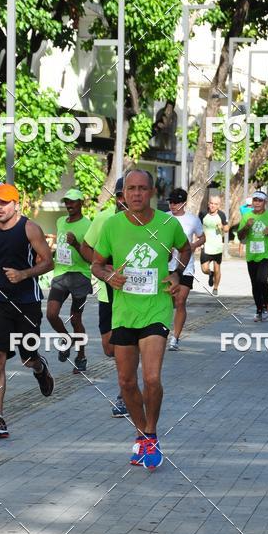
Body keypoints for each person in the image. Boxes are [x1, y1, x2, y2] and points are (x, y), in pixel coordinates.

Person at [91, 169, 191, 470]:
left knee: (151, 378)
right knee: (126, 382)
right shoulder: (112, 226)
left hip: (156, 309)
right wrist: (109, 274)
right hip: (123, 313)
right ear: (122, 195)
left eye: (142, 189)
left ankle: (151, 432)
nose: (136, 194)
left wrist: (176, 273)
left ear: (151, 193)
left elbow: (185, 249)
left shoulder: (167, 224)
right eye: (130, 189)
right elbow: (96, 264)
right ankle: (141, 432)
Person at [0, 183, 55, 439]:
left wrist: (24, 274)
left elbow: (47, 262)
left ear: (16, 204)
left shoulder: (29, 228)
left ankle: (39, 368)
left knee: (26, 357)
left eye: (3, 203)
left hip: (26, 302)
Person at [80, 180, 128, 416]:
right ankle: (128, 384)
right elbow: (86, 247)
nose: (123, 200)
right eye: (119, 195)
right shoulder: (104, 218)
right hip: (107, 292)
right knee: (109, 348)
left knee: (125, 346)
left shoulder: (147, 221)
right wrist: (103, 266)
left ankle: (124, 394)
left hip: (134, 296)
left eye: (127, 194)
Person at [46, 189, 92, 374]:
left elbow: (91, 257)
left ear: (81, 203)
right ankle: (66, 340)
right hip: (61, 273)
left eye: (73, 202)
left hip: (80, 276)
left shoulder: (88, 225)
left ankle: (81, 356)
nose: (69, 205)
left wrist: (76, 244)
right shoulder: (60, 221)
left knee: (75, 318)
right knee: (51, 314)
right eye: (67, 201)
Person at [166, 188, 205, 350]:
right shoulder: (164, 218)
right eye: (171, 202)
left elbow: (202, 237)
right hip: (167, 266)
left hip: (186, 266)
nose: (172, 205)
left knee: (181, 301)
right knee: (169, 302)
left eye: (176, 202)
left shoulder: (193, 220)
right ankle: (162, 332)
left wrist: (193, 245)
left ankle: (175, 338)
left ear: (184, 203)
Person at [236, 190, 268, 320]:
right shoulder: (247, 216)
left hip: (265, 254)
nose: (256, 203)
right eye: (255, 200)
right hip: (251, 254)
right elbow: (240, 237)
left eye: (259, 200)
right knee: (255, 283)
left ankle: (266, 305)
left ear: (265, 202)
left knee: (262, 280)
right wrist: (246, 227)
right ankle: (259, 309)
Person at [198, 194, 229, 295]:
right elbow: (197, 227)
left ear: (219, 205)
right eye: (211, 203)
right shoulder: (203, 213)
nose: (212, 206)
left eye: (215, 204)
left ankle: (215, 288)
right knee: (204, 269)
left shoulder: (221, 215)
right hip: (206, 246)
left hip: (217, 246)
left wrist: (222, 227)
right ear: (208, 203)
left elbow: (227, 228)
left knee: (217, 268)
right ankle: (210, 274)